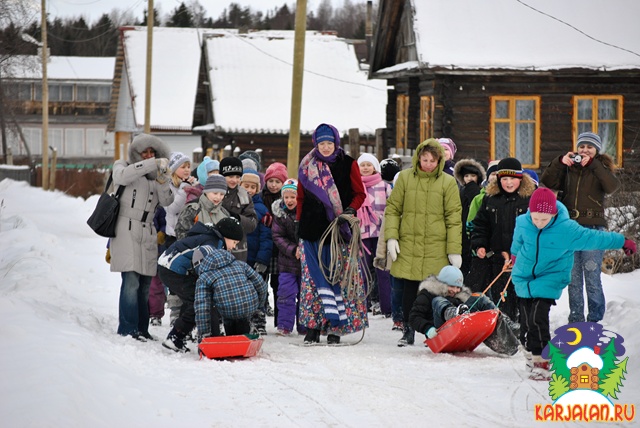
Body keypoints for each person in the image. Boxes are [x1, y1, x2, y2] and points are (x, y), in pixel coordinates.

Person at [511, 187, 636, 379]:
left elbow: (594, 238)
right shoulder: (523, 222)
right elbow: (517, 242)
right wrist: (514, 256)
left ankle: (542, 361)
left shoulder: (566, 229)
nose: (539, 223)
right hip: (524, 278)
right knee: (526, 324)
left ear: (553, 213)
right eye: (535, 218)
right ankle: (530, 351)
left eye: (544, 219)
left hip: (550, 277)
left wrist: (621, 241)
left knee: (538, 317)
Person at [384, 138, 462, 346]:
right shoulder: (405, 178)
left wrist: (454, 250)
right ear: (418, 157)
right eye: (424, 159)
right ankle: (408, 331)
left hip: (437, 245)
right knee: (409, 291)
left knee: (432, 291)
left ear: (440, 161)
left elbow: (454, 217)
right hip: (409, 242)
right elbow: (393, 209)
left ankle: (435, 330)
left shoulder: (448, 182)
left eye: (432, 160)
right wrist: (392, 236)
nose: (427, 164)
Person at [539, 132, 621, 323]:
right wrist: (560, 162)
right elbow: (548, 181)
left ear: (596, 150)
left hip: (592, 230)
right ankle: (576, 319)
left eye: (589, 147)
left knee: (592, 277)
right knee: (573, 279)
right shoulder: (568, 168)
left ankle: (595, 320)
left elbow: (612, 186)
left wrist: (593, 164)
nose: (584, 150)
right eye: (582, 146)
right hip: (569, 229)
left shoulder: (600, 168)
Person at [297, 123, 367, 345]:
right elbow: (300, 198)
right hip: (312, 231)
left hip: (339, 231)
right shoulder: (307, 166)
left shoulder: (348, 164)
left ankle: (336, 327)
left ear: (336, 143)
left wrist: (350, 210)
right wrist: (300, 228)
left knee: (338, 276)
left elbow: (359, 193)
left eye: (329, 143)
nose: (325, 147)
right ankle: (313, 328)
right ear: (315, 144)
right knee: (312, 281)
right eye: (321, 143)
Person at [109, 133, 174, 341]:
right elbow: (120, 177)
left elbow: (166, 201)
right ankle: (127, 328)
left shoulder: (155, 175)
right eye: (144, 152)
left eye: (152, 152)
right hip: (126, 228)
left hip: (148, 231)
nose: (148, 155)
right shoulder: (123, 165)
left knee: (146, 283)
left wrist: (164, 179)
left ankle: (141, 328)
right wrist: (150, 164)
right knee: (131, 280)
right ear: (136, 153)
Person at [158, 217, 244, 352]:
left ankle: (179, 337)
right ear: (227, 236)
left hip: (169, 267)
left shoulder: (212, 239)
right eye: (234, 242)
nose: (234, 246)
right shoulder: (213, 243)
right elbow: (202, 262)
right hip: (172, 269)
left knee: (193, 301)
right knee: (199, 302)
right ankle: (176, 337)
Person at [468, 157, 536, 324]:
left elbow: (539, 228)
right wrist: (480, 245)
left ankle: (527, 331)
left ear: (521, 179)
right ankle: (509, 332)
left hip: (524, 259)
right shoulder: (491, 198)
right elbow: (481, 225)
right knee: (504, 299)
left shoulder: (530, 199)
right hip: (499, 260)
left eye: (512, 178)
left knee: (525, 298)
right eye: (504, 179)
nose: (508, 183)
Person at [408, 265, 517, 355]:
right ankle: (454, 313)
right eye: (452, 286)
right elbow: (414, 317)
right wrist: (428, 329)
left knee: (478, 296)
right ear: (443, 284)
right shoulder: (428, 294)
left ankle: (506, 324)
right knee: (438, 301)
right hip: (439, 332)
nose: (455, 290)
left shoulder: (460, 295)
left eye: (458, 287)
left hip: (459, 327)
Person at [194, 244, 269, 340]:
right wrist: (259, 307)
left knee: (227, 310)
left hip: (227, 309)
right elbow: (261, 285)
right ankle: (245, 337)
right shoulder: (240, 264)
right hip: (249, 305)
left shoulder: (204, 277)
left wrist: (204, 333)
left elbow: (202, 306)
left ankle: (232, 341)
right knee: (242, 318)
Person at [357, 153, 392, 316]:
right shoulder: (354, 186)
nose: (365, 168)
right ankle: (362, 306)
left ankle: (387, 307)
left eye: (368, 165)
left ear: (375, 167)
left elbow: (392, 208)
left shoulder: (384, 186)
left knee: (383, 271)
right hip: (361, 234)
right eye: (362, 165)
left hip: (380, 234)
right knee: (362, 272)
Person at [241, 168, 272, 335]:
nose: (250, 190)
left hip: (255, 258)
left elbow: (266, 236)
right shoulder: (235, 205)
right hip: (239, 257)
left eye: (253, 187)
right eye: (246, 185)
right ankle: (241, 320)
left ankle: (258, 319)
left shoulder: (262, 210)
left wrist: (262, 259)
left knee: (258, 289)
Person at [271, 179, 303, 336]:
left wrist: (303, 248)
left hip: (305, 263)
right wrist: (292, 249)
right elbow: (277, 236)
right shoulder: (280, 215)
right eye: (286, 197)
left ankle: (304, 326)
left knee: (305, 295)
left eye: (293, 197)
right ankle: (284, 325)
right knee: (285, 293)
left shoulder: (305, 213)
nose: (289, 200)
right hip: (287, 262)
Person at [262, 161, 288, 322]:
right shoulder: (260, 198)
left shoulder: (287, 199)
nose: (273, 185)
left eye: (277, 182)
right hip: (264, 247)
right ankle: (260, 314)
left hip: (280, 250)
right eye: (270, 181)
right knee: (261, 283)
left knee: (278, 284)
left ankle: (280, 319)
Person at [220, 156, 258, 262]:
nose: (234, 180)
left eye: (238, 177)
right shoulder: (214, 192)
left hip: (238, 251)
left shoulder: (244, 196)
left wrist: (237, 218)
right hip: (216, 247)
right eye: (230, 176)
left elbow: (252, 223)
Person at [452, 158, 486, 276]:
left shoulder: (480, 193)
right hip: (461, 233)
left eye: (473, 176)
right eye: (466, 176)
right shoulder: (460, 191)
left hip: (473, 233)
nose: (470, 179)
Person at [175, 174, 230, 240]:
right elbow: (181, 233)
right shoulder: (192, 209)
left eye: (222, 194)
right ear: (206, 191)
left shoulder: (224, 213)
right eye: (215, 193)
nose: (218, 197)